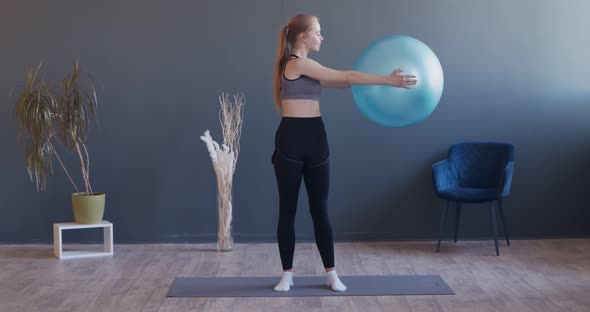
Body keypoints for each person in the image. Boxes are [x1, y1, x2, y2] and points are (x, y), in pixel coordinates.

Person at [271, 14, 417, 292]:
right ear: (302, 37)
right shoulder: (297, 63)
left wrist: (379, 81)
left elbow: (346, 82)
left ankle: (331, 274)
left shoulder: (308, 68)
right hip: (290, 142)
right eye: (318, 32)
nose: (321, 37)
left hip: (316, 140)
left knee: (320, 210)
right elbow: (347, 75)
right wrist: (388, 80)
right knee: (287, 211)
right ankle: (287, 274)